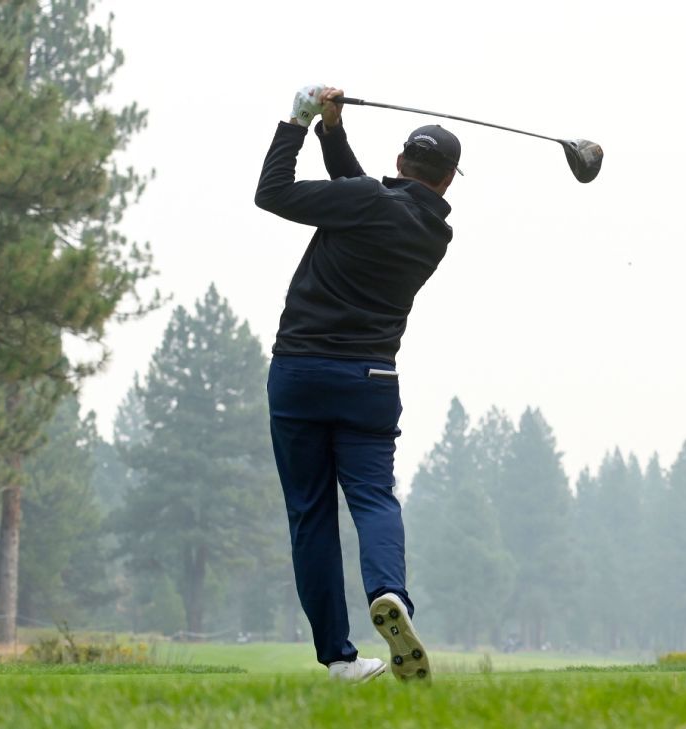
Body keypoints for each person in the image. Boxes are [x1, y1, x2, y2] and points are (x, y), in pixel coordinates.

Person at [254, 84, 463, 683]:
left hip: (299, 373)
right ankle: (390, 593)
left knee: (311, 513)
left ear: (399, 165)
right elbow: (361, 194)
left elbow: (273, 193)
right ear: (447, 182)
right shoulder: (434, 233)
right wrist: (333, 131)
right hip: (370, 380)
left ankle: (340, 660)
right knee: (373, 498)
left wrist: (297, 121)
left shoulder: (368, 200)